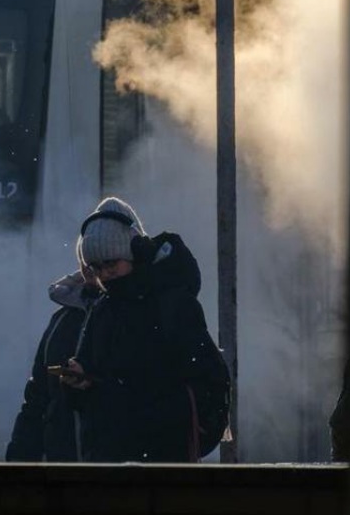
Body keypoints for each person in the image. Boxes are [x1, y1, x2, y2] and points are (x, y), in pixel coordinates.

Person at [61, 197, 229, 463]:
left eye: (111, 264)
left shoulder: (171, 305)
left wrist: (155, 415)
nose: (104, 274)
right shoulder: (102, 310)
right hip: (112, 460)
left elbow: (209, 383)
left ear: (134, 253)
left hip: (161, 460)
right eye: (96, 268)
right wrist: (79, 382)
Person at [3, 269, 98, 462]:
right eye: (88, 262)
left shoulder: (138, 314)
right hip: (62, 461)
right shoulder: (62, 319)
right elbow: (38, 395)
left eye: (107, 261)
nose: (93, 269)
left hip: (117, 466)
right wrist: (20, 457)